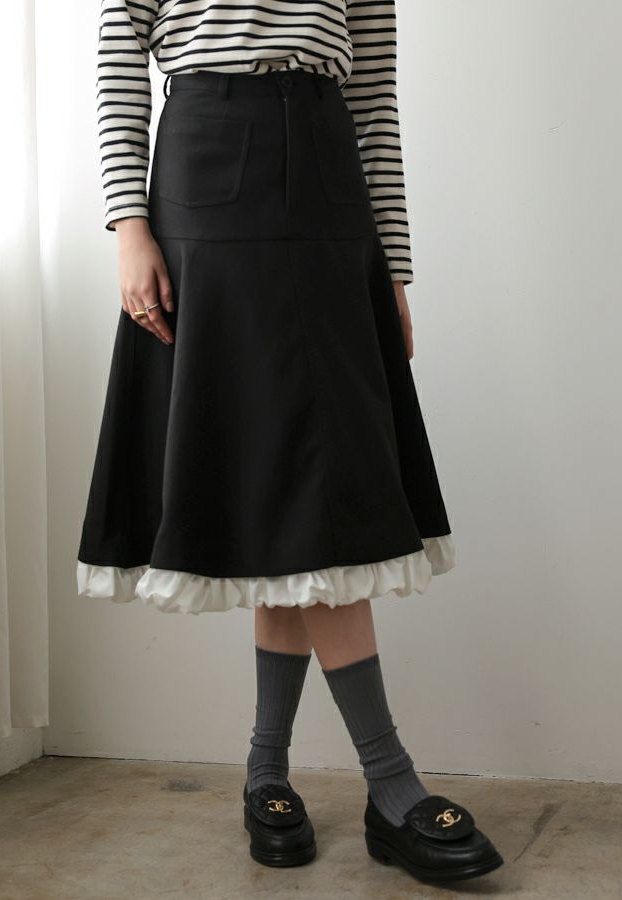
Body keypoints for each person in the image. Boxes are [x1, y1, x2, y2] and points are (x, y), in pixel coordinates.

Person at [77, 0, 504, 885]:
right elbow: (121, 54)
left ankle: (266, 769)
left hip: (329, 179)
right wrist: (128, 225)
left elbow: (374, 98)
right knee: (291, 488)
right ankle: (389, 782)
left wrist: (391, 267)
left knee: (311, 493)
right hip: (204, 171)